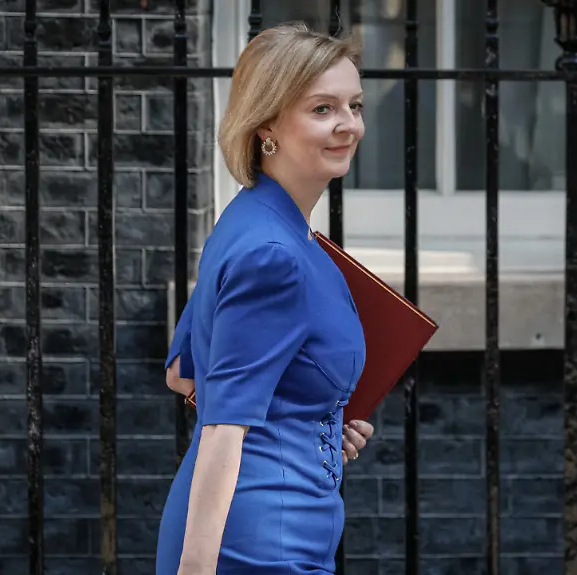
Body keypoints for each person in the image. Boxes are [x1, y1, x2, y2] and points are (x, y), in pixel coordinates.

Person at [155, 22, 376, 574]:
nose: (348, 124)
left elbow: (183, 373)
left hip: (277, 520)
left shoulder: (251, 219)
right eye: (322, 109)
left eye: (354, 105)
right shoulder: (274, 253)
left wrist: (312, 421)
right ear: (267, 125)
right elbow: (222, 424)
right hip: (259, 542)